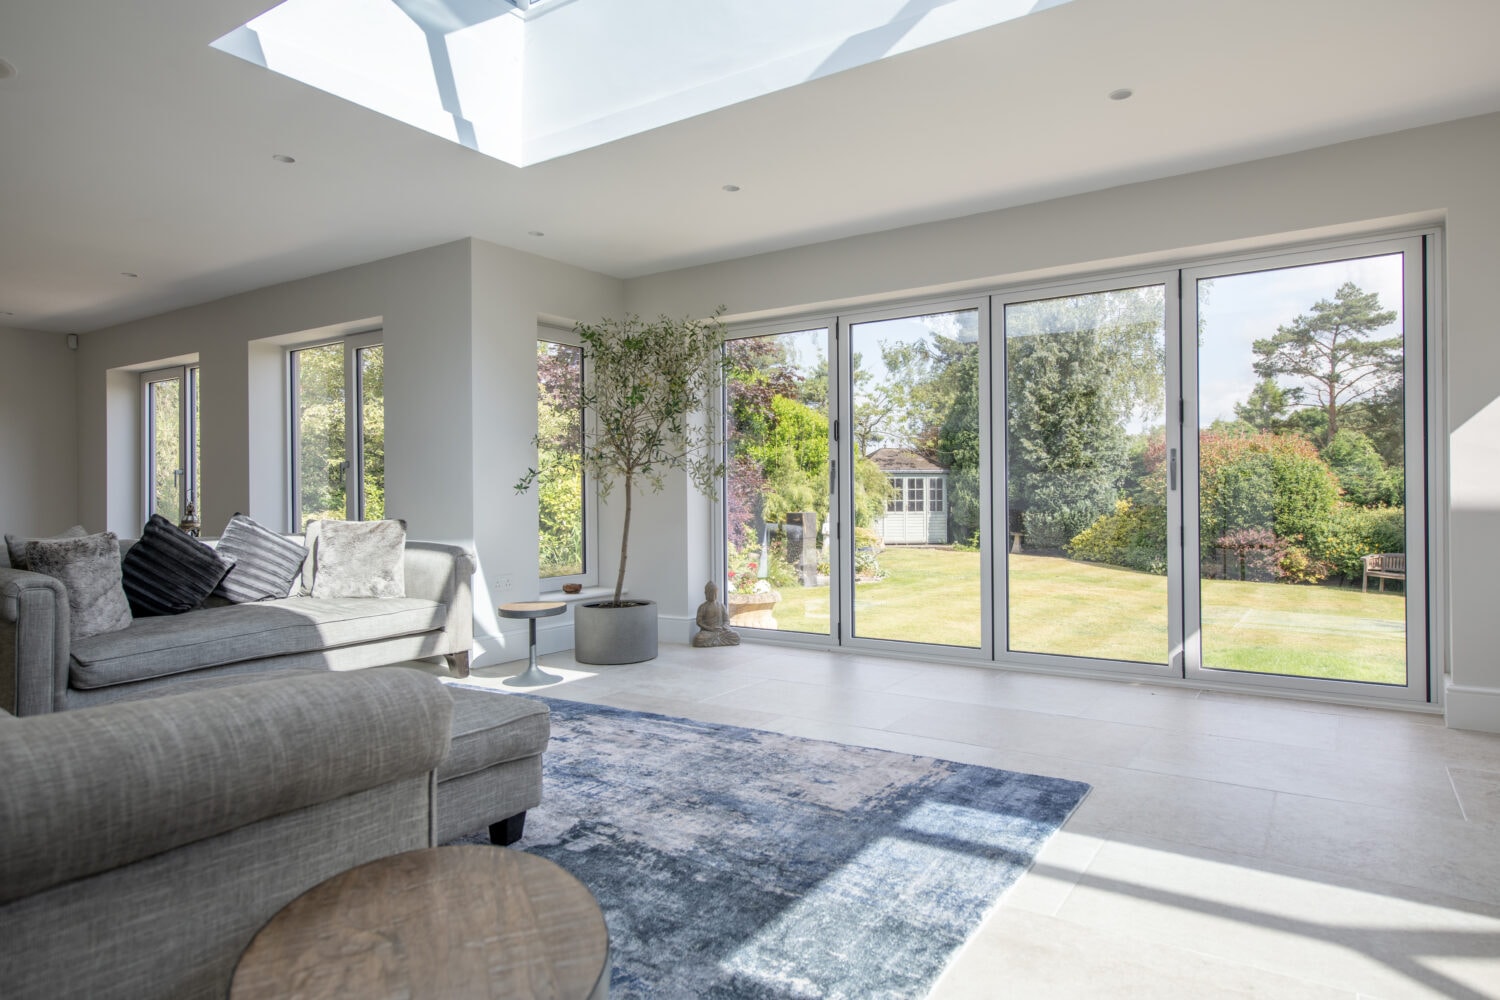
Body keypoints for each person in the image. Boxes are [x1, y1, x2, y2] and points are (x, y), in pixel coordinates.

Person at [691, 581, 740, 647]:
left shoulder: (721, 605)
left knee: (736, 636)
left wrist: (723, 627)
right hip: (708, 632)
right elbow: (699, 622)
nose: (713, 595)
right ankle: (717, 640)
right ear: (706, 593)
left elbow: (726, 620)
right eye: (711, 593)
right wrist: (709, 628)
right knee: (698, 639)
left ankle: (715, 641)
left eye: (715, 593)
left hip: (721, 631)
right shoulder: (703, 606)